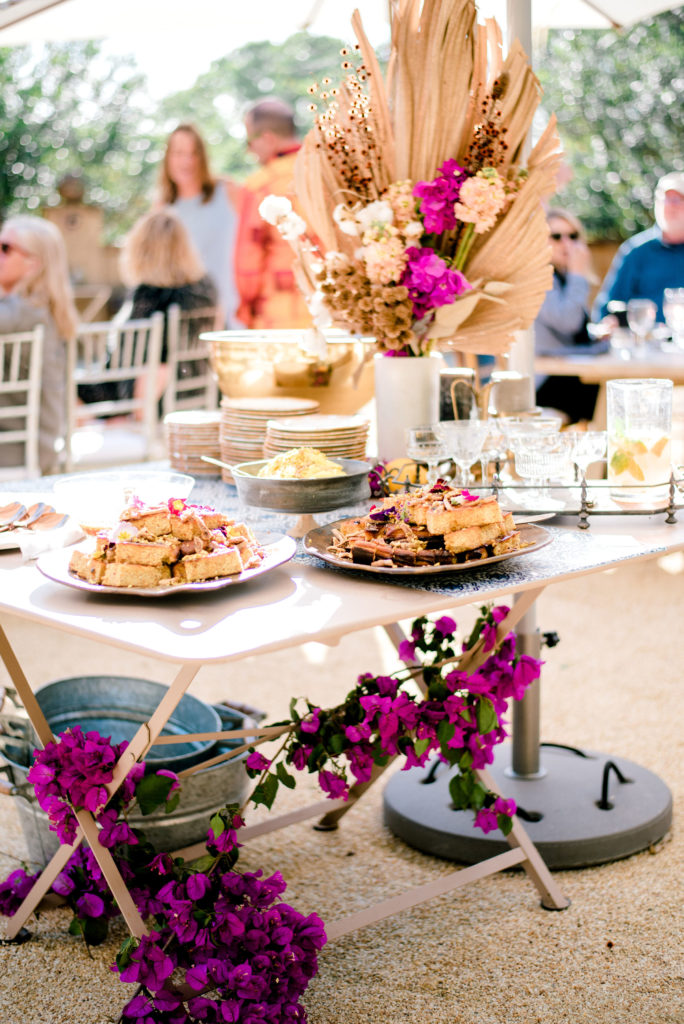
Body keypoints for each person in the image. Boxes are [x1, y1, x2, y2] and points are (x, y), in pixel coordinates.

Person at [0, 215, 78, 473]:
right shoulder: (42, 307)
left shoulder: (25, 311)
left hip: (16, 447)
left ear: (33, 264)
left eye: (5, 248)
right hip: (39, 443)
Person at [118, 208, 218, 405]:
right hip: (197, 386)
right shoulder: (206, 286)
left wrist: (135, 414)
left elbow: (157, 364)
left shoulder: (149, 294)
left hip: (153, 395)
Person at [235, 98, 312, 329]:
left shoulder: (260, 186)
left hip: (278, 319)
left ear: (268, 138)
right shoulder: (327, 174)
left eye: (250, 140)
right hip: (335, 313)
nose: (250, 149)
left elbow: (248, 261)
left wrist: (245, 306)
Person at [157, 123, 239, 327]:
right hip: (188, 320)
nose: (186, 161)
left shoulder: (227, 191)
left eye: (193, 153)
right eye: (179, 153)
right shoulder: (162, 208)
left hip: (233, 313)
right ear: (168, 158)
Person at [534, 208, 599, 423]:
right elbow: (568, 322)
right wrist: (578, 274)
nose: (567, 244)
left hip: (563, 374)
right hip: (543, 383)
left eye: (572, 236)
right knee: (608, 393)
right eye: (556, 236)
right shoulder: (540, 276)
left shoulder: (561, 276)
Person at [592, 171, 684, 323]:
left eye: (676, 200)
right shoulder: (636, 252)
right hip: (646, 343)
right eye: (663, 199)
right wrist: (613, 322)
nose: (668, 206)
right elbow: (607, 310)